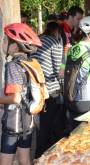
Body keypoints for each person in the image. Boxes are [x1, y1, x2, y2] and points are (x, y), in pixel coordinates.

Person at [0, 23, 41, 165]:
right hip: (28, 121)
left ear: (15, 46)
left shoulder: (13, 65)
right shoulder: (30, 62)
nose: (3, 43)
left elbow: (15, 98)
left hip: (13, 123)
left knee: (5, 161)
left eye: (5, 40)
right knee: (24, 159)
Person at [31, 22, 64, 158]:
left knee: (42, 124)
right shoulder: (54, 43)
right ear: (57, 32)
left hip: (36, 88)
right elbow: (58, 70)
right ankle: (47, 154)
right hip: (51, 90)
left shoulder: (37, 40)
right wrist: (63, 85)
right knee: (52, 124)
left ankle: (40, 154)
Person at [59, 6, 84, 78]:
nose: (80, 22)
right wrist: (62, 67)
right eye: (78, 19)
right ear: (70, 17)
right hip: (61, 69)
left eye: (81, 19)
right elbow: (64, 50)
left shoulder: (72, 30)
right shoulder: (61, 29)